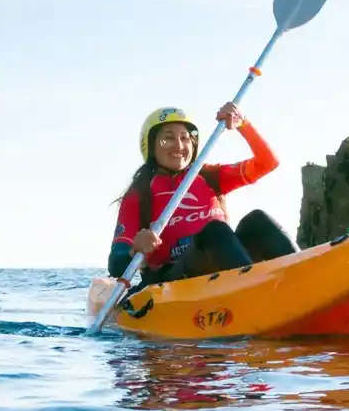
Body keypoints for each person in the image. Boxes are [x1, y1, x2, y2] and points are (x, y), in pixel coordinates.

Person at [108, 102, 299, 292]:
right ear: (150, 146)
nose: (179, 145)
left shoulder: (208, 176)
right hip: (173, 280)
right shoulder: (139, 194)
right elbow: (116, 265)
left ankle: (302, 276)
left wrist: (243, 125)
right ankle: (256, 292)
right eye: (167, 139)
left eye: (185, 138)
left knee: (257, 220)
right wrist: (134, 250)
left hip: (225, 270)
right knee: (215, 231)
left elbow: (268, 162)